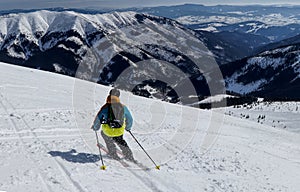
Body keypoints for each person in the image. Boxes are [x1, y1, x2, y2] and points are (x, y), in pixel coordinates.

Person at [91, 88, 135, 161]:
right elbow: (130, 119)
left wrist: (95, 127)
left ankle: (113, 153)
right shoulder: (123, 107)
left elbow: (98, 119)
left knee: (105, 135)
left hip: (107, 131)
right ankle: (129, 155)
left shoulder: (105, 107)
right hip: (119, 130)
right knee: (120, 140)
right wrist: (128, 127)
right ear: (118, 96)